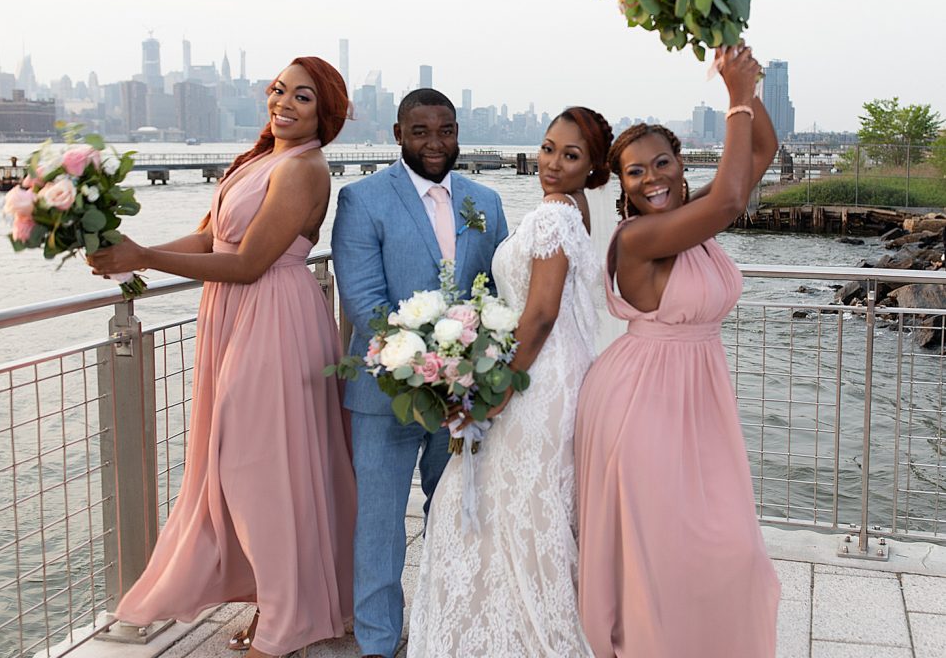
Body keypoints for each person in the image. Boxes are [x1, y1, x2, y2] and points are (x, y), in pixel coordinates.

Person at [88, 57, 356, 658]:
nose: (283, 103)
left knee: (257, 468)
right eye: (279, 90)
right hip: (235, 317)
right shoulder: (256, 161)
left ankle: (286, 620)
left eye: (302, 97)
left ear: (325, 113)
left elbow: (248, 263)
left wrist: (144, 258)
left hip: (274, 319)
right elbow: (212, 240)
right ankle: (276, 605)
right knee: (259, 467)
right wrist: (132, 254)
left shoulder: (305, 168)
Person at [574, 43, 781, 658]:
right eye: (635, 172)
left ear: (680, 163)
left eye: (661, 163)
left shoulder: (690, 219)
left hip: (698, 398)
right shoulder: (640, 237)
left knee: (729, 549)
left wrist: (747, 89)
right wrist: (735, 96)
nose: (651, 179)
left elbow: (761, 155)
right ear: (622, 185)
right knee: (668, 554)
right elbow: (731, 200)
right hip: (643, 403)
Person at [408, 107, 612, 657]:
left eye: (571, 156)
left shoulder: (553, 216)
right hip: (563, 372)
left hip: (536, 379)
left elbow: (540, 314)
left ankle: (525, 634)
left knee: (492, 500)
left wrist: (495, 391)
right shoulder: (576, 210)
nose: (552, 163)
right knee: (532, 504)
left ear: (593, 167)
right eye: (548, 148)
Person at [331, 88, 508, 658]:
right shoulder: (362, 199)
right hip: (383, 394)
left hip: (462, 396)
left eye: (446, 130)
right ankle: (377, 643)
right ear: (398, 134)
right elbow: (364, 302)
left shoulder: (486, 201)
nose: (435, 142)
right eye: (421, 131)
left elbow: (498, 294)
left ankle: (442, 632)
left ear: (457, 133)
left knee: (454, 515)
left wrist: (468, 370)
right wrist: (424, 366)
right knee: (379, 526)